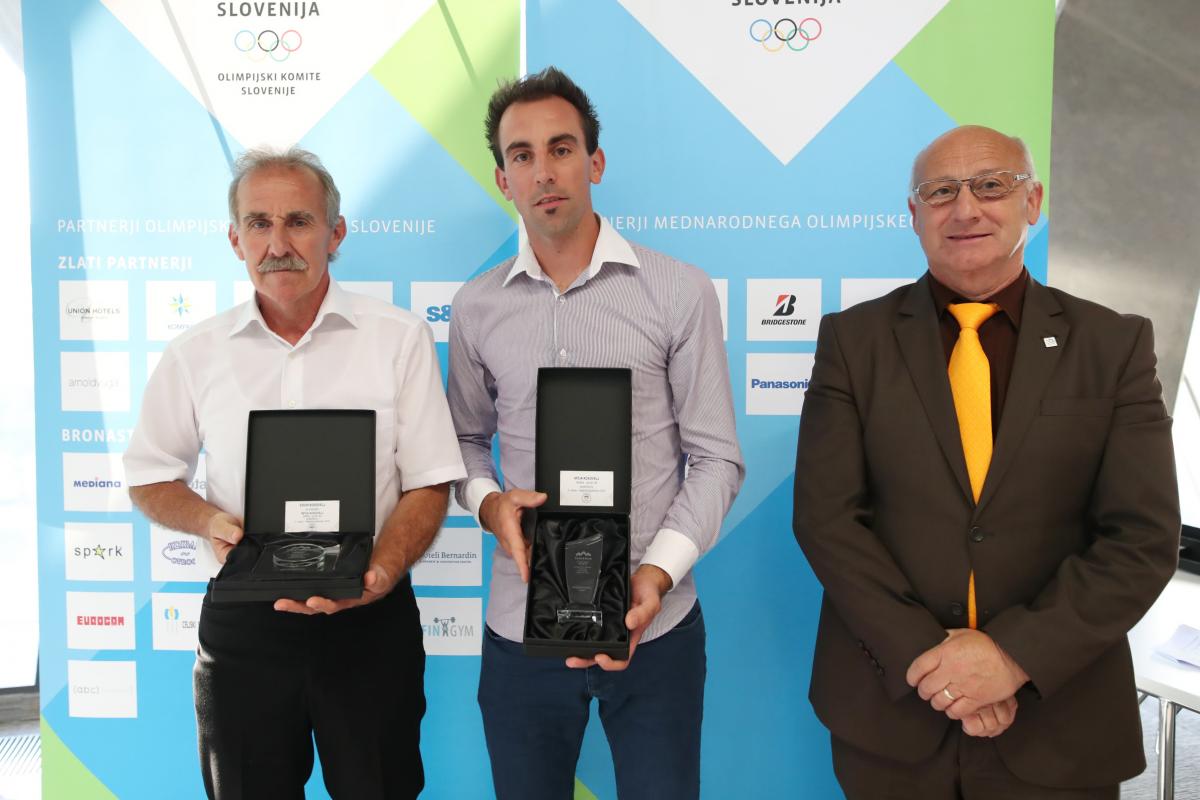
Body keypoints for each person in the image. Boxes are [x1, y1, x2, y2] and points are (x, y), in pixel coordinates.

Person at [792, 125, 1180, 799]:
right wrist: (938, 667)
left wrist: (1012, 658)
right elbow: (827, 520)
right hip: (894, 717)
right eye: (941, 192)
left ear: (1033, 202)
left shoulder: (1113, 345)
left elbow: (1141, 537)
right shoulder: (853, 341)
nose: (965, 209)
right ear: (914, 215)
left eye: (991, 186)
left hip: (1059, 720)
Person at [124, 147, 466, 799]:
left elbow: (430, 481)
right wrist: (210, 521)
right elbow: (148, 475)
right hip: (244, 628)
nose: (277, 244)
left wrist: (382, 572)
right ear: (235, 240)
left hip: (369, 619)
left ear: (335, 233)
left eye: (299, 221)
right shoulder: (195, 353)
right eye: (259, 223)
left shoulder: (398, 338)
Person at [447, 66, 744, 800]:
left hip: (657, 624)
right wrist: (489, 505)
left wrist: (656, 574)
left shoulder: (678, 290)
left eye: (561, 148)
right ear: (502, 179)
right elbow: (463, 443)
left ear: (595, 162)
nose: (544, 172)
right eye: (522, 156)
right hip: (521, 623)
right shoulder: (476, 307)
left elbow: (715, 458)